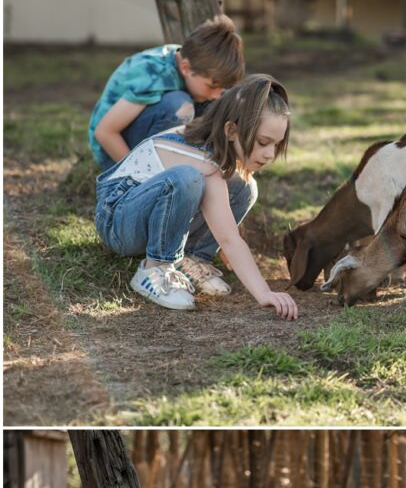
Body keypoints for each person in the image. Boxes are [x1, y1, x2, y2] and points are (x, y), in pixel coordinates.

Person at [94, 73, 298, 317]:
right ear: (232, 131)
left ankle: (191, 259)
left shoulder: (214, 150)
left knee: (244, 186)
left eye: (276, 144)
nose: (270, 154)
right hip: (118, 221)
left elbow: (226, 229)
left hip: (146, 218)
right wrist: (264, 293)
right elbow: (229, 238)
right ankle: (155, 268)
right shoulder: (202, 157)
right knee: (186, 178)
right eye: (263, 142)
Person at [88, 14, 244, 173]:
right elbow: (105, 132)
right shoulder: (154, 75)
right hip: (113, 152)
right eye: (211, 87)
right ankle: (157, 173)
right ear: (185, 68)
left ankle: (190, 164)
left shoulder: (192, 61)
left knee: (218, 103)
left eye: (221, 88)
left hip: (143, 137)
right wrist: (138, 172)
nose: (216, 94)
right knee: (178, 106)